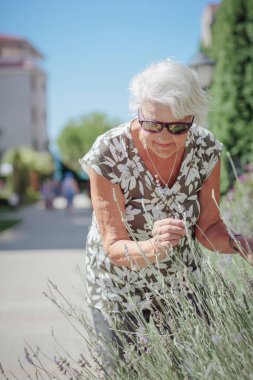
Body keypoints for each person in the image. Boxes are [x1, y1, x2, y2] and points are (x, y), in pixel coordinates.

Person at [79, 59, 253, 367]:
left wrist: (239, 243)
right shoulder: (109, 152)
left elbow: (208, 228)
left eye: (177, 128)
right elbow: (114, 244)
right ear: (138, 112)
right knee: (124, 371)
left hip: (181, 284)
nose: (163, 137)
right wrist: (154, 248)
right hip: (119, 288)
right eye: (153, 125)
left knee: (193, 368)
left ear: (193, 120)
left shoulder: (206, 150)